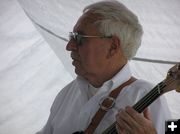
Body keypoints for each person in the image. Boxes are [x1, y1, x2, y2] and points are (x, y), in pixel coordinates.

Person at [36, 1, 170, 134]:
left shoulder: (147, 96)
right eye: (71, 36)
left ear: (113, 47)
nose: (69, 46)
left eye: (79, 38)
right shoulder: (67, 93)